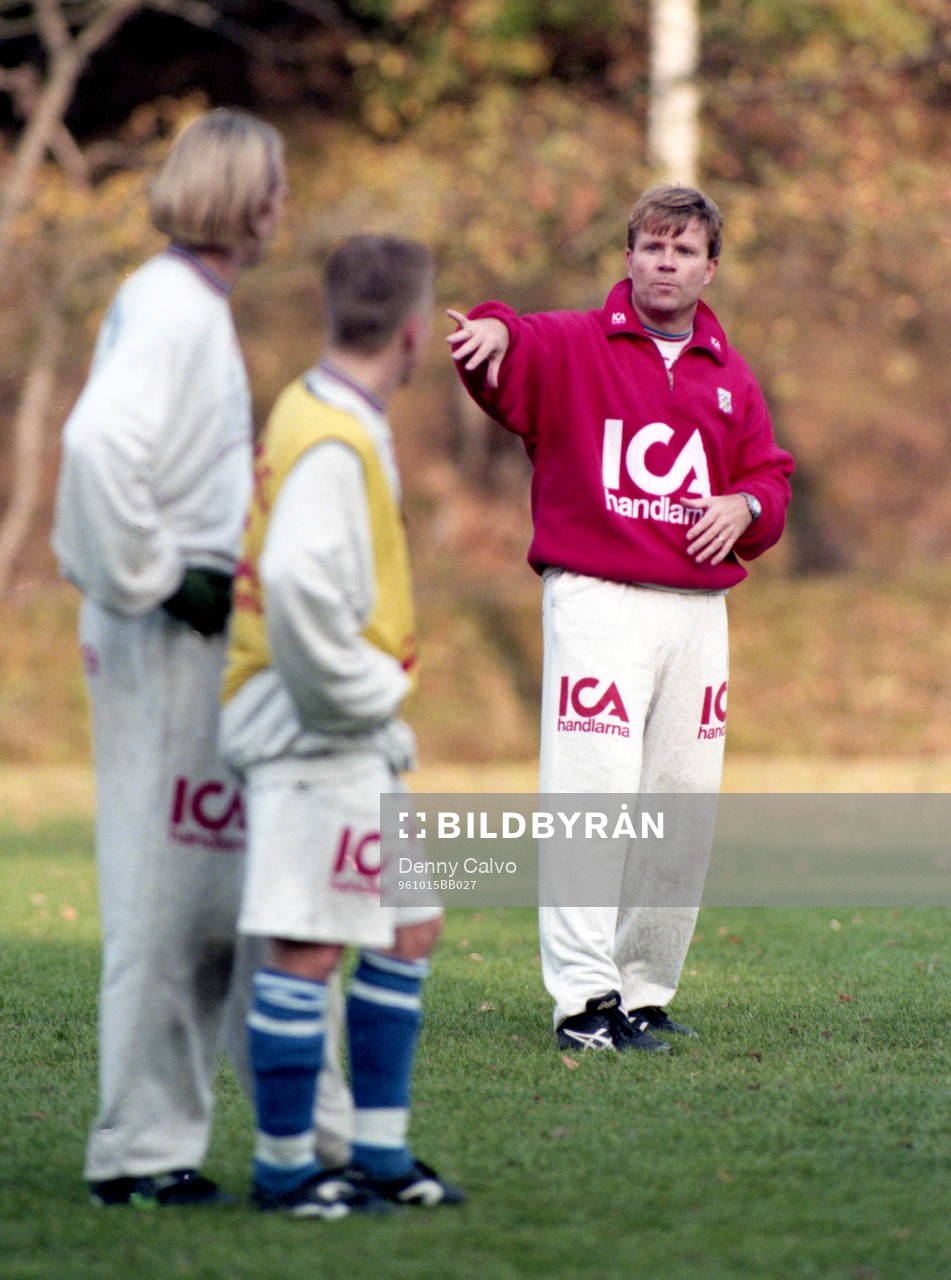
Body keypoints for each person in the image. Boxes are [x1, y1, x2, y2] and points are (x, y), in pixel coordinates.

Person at [52, 108, 347, 1207]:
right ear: (241, 196)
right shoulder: (173, 309)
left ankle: (270, 1133)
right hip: (163, 647)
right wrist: (161, 576)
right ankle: (136, 1151)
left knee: (222, 893)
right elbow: (95, 445)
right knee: (166, 897)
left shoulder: (184, 304)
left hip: (194, 642)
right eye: (273, 186)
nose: (282, 206)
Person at [448, 183, 794, 1053]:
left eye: (682, 250)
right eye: (650, 247)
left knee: (680, 807)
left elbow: (770, 477)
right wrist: (487, 327)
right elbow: (507, 346)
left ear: (709, 267)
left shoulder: (728, 374)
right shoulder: (574, 343)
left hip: (697, 613)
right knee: (592, 802)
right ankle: (583, 1004)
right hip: (598, 599)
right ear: (628, 257)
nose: (664, 262)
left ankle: (642, 990)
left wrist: (747, 509)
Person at [220, 233, 464, 1217]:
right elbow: (290, 584)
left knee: (409, 924)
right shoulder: (335, 438)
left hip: (347, 728)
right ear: (413, 332)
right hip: (316, 728)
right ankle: (287, 1168)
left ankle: (377, 1152)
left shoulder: (319, 405)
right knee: (310, 946)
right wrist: (364, 695)